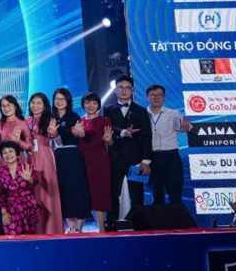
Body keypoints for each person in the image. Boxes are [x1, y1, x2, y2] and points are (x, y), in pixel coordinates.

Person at [105, 75, 153, 228]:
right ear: (115, 90)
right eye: (120, 87)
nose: (124, 90)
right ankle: (111, 226)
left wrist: (146, 161)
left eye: (127, 88)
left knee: (137, 194)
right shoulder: (107, 110)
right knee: (113, 194)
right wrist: (123, 132)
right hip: (115, 159)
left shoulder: (141, 111)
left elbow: (147, 136)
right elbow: (107, 129)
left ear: (132, 90)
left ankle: (139, 227)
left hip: (136, 160)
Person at [50, 88, 91, 233]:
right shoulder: (51, 118)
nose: (59, 101)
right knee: (64, 190)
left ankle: (79, 226)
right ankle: (71, 226)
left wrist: (79, 133)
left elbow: (81, 133)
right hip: (57, 156)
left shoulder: (74, 116)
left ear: (68, 101)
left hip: (72, 156)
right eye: (57, 98)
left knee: (77, 188)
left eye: (62, 99)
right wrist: (52, 134)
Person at [145, 85, 192, 206]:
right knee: (156, 197)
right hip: (150, 158)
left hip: (171, 158)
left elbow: (185, 127)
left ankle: (176, 218)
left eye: (159, 95)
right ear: (147, 97)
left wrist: (183, 129)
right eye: (153, 95)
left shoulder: (173, 113)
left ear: (164, 97)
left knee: (175, 197)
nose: (156, 98)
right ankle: (158, 219)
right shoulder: (142, 114)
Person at [76, 92, 114, 232]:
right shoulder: (80, 121)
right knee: (83, 193)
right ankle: (78, 228)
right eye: (87, 102)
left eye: (94, 103)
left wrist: (108, 140)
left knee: (99, 193)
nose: (90, 105)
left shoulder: (105, 120)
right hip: (82, 162)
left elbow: (110, 143)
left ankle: (102, 228)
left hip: (99, 161)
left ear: (98, 104)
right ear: (83, 104)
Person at [26, 92, 63, 235]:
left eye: (39, 103)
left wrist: (53, 133)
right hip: (30, 157)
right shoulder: (27, 120)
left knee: (46, 190)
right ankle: (36, 229)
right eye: (33, 102)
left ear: (45, 105)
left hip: (44, 156)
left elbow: (57, 139)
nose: (35, 106)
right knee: (33, 191)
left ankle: (51, 229)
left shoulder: (49, 119)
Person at [0, 141, 40, 236]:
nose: (8, 155)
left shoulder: (25, 167)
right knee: (11, 234)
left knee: (28, 235)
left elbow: (35, 182)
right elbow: (0, 193)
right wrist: (3, 212)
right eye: (5, 153)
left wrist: (29, 179)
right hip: (10, 206)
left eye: (11, 151)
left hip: (27, 205)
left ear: (17, 154)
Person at [0, 95, 33, 159]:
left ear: (15, 106)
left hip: (17, 159)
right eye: (3, 106)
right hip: (2, 159)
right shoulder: (0, 123)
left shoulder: (22, 124)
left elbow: (30, 146)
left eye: (8, 105)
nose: (6, 108)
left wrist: (18, 141)